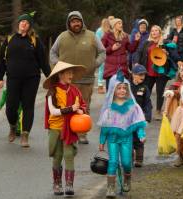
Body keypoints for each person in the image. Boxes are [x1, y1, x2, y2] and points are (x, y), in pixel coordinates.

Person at [50, 11, 106, 144]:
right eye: (73, 21)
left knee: (83, 106)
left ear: (82, 22)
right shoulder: (62, 37)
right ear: (69, 23)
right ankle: (68, 132)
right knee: (66, 106)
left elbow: (102, 52)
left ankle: (82, 133)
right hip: (66, 81)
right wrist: (59, 66)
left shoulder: (92, 36)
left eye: (78, 21)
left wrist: (95, 64)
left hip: (86, 80)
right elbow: (52, 52)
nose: (76, 23)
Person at [0, 12, 51, 147]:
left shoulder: (35, 41)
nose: (23, 23)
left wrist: (51, 78)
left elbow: (43, 62)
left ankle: (25, 135)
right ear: (18, 24)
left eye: (26, 22)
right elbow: (1, 61)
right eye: (21, 21)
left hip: (31, 79)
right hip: (13, 78)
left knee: (28, 107)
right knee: (10, 107)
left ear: (29, 26)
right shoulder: (9, 39)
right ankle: (13, 127)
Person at [98, 70, 147, 198]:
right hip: (112, 138)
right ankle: (110, 188)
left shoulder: (132, 107)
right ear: (113, 90)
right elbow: (104, 126)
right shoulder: (109, 108)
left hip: (126, 138)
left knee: (126, 162)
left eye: (124, 88)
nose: (122, 91)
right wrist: (102, 141)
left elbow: (138, 122)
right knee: (113, 162)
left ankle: (127, 179)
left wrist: (141, 134)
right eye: (118, 88)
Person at [43, 61, 87, 196]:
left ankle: (69, 185)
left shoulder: (75, 90)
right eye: (68, 72)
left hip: (70, 128)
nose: (71, 75)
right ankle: (57, 184)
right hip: (56, 128)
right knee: (57, 156)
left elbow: (82, 105)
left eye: (72, 72)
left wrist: (80, 110)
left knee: (69, 155)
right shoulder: (52, 91)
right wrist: (70, 109)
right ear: (60, 74)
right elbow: (53, 111)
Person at [135, 25, 169, 120]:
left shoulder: (165, 43)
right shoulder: (146, 43)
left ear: (160, 32)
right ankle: (143, 110)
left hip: (161, 72)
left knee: (160, 92)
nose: (154, 32)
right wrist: (137, 62)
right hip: (149, 71)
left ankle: (158, 111)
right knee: (146, 91)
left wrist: (167, 53)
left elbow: (173, 54)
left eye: (156, 30)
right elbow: (139, 52)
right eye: (152, 31)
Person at [101, 18, 140, 89]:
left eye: (121, 23)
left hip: (122, 70)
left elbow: (131, 49)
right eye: (119, 23)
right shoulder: (107, 35)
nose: (121, 25)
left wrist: (136, 41)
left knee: (122, 93)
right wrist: (111, 48)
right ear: (114, 25)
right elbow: (101, 50)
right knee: (110, 93)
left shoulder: (124, 36)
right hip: (110, 70)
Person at [130, 64, 152, 167]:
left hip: (139, 117)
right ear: (133, 75)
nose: (142, 76)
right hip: (127, 118)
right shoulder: (127, 86)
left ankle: (139, 159)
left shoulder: (144, 88)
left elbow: (148, 103)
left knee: (139, 138)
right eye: (140, 74)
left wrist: (147, 117)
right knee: (128, 138)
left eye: (144, 74)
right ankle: (129, 157)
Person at [96, 18, 111, 94]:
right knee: (102, 69)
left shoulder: (109, 31)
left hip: (108, 52)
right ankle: (100, 86)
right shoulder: (99, 31)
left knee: (105, 69)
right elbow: (97, 41)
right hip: (102, 52)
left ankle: (104, 85)